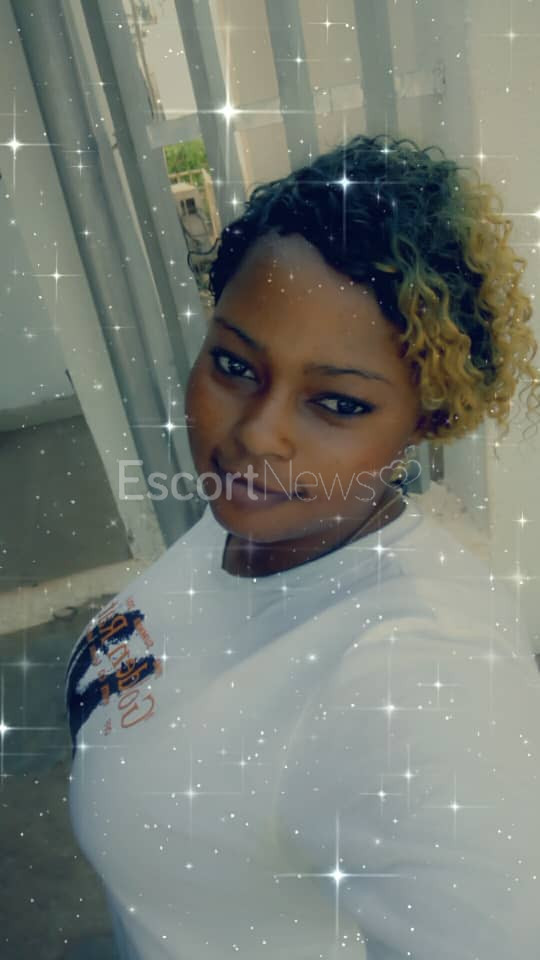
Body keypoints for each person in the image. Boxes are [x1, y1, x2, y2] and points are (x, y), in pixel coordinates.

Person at [65, 133, 540, 959]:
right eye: (234, 365)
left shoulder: (419, 679)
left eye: (340, 404)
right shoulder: (253, 526)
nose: (258, 434)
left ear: (425, 420)